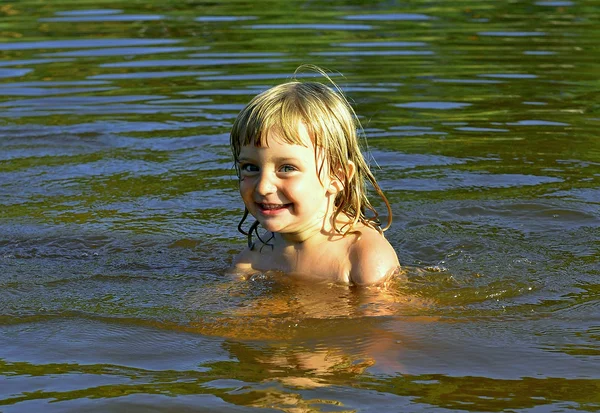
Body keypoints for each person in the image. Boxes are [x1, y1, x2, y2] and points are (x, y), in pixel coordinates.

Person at [229, 66, 399, 285]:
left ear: (336, 176)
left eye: (287, 168)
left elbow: (384, 318)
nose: (263, 187)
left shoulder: (362, 257)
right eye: (251, 167)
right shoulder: (253, 259)